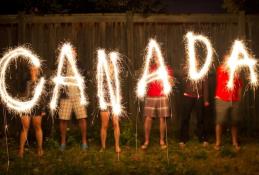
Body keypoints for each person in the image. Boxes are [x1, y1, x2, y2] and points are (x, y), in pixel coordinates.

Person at [141, 54, 174, 150]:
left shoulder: (167, 69)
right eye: (155, 58)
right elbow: (145, 81)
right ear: (154, 59)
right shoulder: (151, 69)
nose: (157, 60)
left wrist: (167, 78)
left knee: (162, 119)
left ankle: (162, 140)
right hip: (151, 96)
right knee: (148, 118)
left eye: (159, 57)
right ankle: (146, 141)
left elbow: (171, 84)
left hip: (162, 96)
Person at [58, 49, 88, 151]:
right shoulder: (62, 64)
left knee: (82, 118)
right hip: (65, 96)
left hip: (77, 95)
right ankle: (63, 142)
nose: (72, 54)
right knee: (63, 119)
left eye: (73, 52)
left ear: (76, 54)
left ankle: (84, 142)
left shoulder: (79, 64)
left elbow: (86, 76)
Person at [214, 63, 242, 151]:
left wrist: (239, 99)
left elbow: (240, 86)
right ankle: (218, 142)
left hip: (234, 101)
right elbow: (223, 68)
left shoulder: (236, 73)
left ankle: (234, 142)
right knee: (220, 121)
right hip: (222, 99)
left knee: (234, 122)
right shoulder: (221, 70)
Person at [18, 66, 45, 158]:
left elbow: (43, 96)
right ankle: (21, 149)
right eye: (32, 69)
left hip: (37, 106)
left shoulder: (41, 81)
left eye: (35, 69)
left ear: (38, 70)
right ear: (29, 70)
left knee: (37, 126)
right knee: (25, 127)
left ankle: (40, 148)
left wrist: (43, 109)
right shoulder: (24, 80)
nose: (33, 70)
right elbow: (21, 93)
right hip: (25, 106)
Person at [179, 76, 209, 149]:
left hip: (199, 97)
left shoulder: (202, 72)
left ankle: (202, 138)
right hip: (187, 96)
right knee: (185, 118)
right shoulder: (186, 71)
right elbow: (182, 81)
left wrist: (206, 99)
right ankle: (183, 139)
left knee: (200, 118)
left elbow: (205, 85)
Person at [99, 62, 121, 153]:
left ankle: (117, 146)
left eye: (112, 65)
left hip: (115, 102)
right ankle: (103, 146)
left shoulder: (116, 78)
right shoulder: (102, 77)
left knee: (116, 124)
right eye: (109, 65)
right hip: (105, 102)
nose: (111, 67)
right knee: (105, 125)